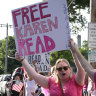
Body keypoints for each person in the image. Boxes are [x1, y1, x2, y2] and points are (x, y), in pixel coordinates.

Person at [15, 43, 86, 96]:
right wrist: (22, 60)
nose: (63, 70)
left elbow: (81, 70)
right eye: (59, 69)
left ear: (69, 69)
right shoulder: (51, 82)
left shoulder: (76, 81)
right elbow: (34, 75)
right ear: (56, 71)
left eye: (65, 68)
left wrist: (74, 52)